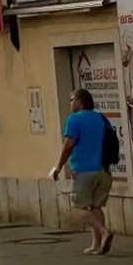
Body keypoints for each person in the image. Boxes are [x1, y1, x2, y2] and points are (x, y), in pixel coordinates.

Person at [50, 88, 115, 255]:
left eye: (72, 99)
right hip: (104, 170)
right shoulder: (100, 118)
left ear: (80, 101)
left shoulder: (75, 119)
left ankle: (103, 231)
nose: (70, 103)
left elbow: (68, 146)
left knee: (79, 207)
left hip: (84, 170)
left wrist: (58, 166)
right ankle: (97, 245)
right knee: (95, 206)